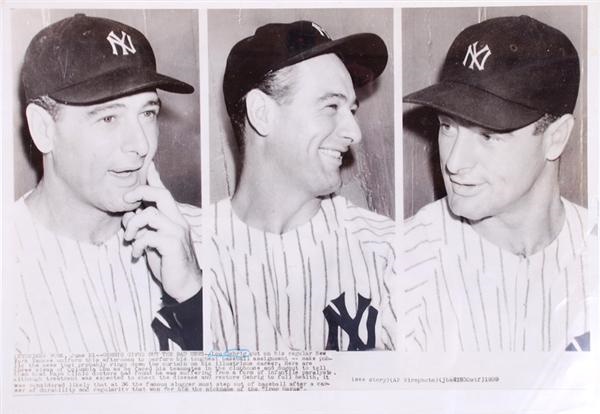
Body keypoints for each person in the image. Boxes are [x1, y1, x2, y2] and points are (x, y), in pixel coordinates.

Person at [402, 15, 594, 352]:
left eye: (488, 135)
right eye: (447, 126)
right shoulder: (404, 263)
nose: (453, 162)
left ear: (556, 138)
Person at [12, 13, 203, 353]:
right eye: (108, 117)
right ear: (44, 129)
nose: (141, 145)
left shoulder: (196, 235)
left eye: (148, 113)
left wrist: (193, 293)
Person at [205, 20, 397, 351]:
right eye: (331, 107)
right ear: (262, 113)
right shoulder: (187, 251)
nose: (354, 132)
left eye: (351, 110)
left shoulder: (387, 251)